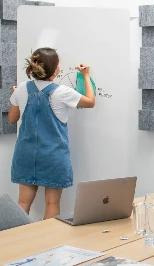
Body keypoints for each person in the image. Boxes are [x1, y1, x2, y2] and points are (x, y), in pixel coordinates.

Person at [8, 48, 95, 219]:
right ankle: (48, 244)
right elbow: (90, 102)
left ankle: (17, 243)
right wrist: (86, 76)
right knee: (52, 203)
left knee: (23, 202)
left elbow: (12, 119)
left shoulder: (21, 89)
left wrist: (15, 96)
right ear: (55, 68)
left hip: (25, 154)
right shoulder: (62, 92)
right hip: (53, 155)